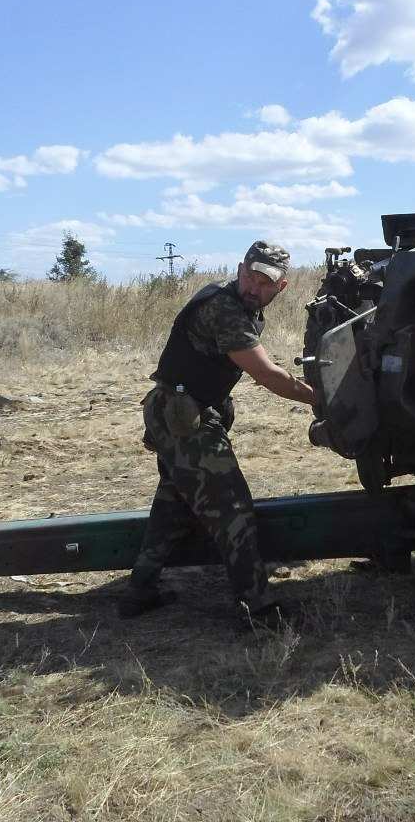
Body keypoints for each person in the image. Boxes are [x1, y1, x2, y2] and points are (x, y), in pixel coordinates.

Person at [118, 240, 317, 621]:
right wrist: (322, 400)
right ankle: (255, 609)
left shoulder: (243, 308)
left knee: (173, 505)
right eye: (249, 275)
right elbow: (267, 374)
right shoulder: (224, 308)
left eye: (264, 282)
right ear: (240, 268)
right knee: (233, 510)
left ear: (282, 287)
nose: (253, 286)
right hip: (182, 416)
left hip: (179, 412)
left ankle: (139, 591)